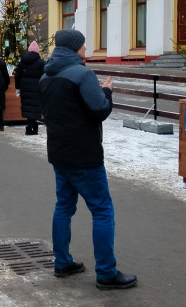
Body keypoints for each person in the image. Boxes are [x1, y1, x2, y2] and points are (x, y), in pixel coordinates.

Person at [39, 29, 137, 290]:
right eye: (83, 45)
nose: (86, 49)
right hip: (85, 156)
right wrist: (107, 91)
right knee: (102, 210)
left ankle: (62, 262)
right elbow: (100, 110)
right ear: (74, 48)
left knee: (63, 207)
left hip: (59, 153)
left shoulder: (46, 76)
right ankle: (106, 272)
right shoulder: (83, 75)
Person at [14, 40, 45, 135]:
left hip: (25, 88)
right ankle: (34, 126)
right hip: (36, 88)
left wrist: (18, 88)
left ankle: (29, 126)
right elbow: (44, 75)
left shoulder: (22, 61)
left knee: (28, 106)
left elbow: (17, 75)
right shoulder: (40, 62)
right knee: (35, 106)